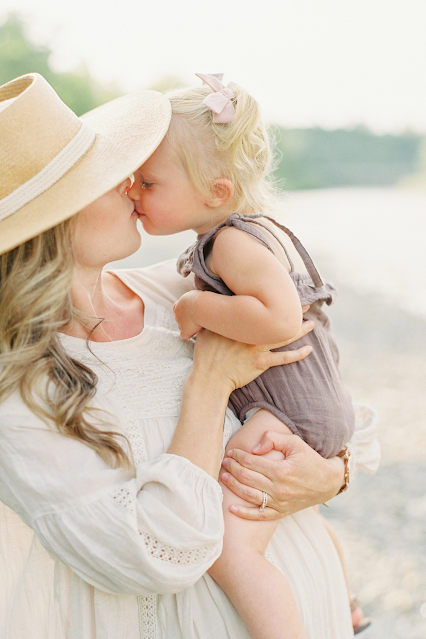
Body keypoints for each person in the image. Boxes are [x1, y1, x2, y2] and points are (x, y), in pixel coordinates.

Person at [0, 73, 379, 639]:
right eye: (107, 177)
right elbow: (153, 554)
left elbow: (333, 401)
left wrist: (330, 474)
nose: (131, 184)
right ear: (56, 223)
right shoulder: (21, 388)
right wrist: (208, 383)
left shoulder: (173, 293)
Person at [128, 73, 373, 637]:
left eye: (150, 182)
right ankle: (344, 595)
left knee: (232, 552)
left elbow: (281, 319)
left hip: (288, 410)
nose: (135, 191)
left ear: (215, 192)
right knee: (286, 508)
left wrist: (196, 309)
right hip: (313, 402)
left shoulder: (230, 242)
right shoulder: (258, 233)